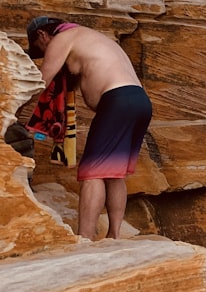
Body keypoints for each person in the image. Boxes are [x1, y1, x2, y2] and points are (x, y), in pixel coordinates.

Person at [26, 16, 153, 241]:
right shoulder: (89, 37)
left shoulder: (62, 38)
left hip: (117, 101)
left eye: (40, 50)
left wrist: (14, 107)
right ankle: (114, 235)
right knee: (114, 173)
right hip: (139, 101)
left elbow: (41, 81)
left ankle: (84, 238)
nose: (45, 54)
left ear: (42, 35)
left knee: (91, 173)